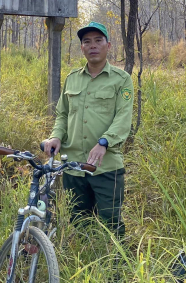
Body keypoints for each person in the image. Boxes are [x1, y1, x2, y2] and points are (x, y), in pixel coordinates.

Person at [43, 22, 133, 236]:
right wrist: (55, 136)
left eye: (98, 40)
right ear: (82, 48)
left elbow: (123, 117)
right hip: (73, 165)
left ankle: (116, 266)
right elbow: (63, 114)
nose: (92, 45)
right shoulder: (72, 78)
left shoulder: (121, 80)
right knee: (78, 222)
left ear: (108, 45)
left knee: (111, 222)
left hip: (106, 166)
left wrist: (104, 142)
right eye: (87, 42)